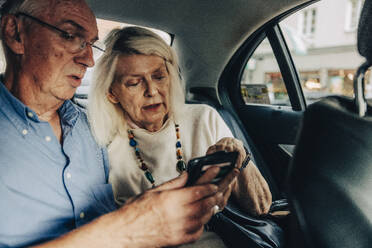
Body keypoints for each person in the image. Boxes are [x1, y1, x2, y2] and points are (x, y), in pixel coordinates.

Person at [0, 0, 238, 247]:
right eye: (70, 36)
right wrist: (130, 226)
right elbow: (123, 228)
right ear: (15, 33)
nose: (89, 59)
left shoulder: (90, 132)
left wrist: (150, 211)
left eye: (91, 44)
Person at [88, 26, 272, 246]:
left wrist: (239, 154)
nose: (152, 91)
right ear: (111, 93)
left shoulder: (204, 118)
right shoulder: (102, 142)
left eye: (159, 77)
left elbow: (261, 207)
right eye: (134, 82)